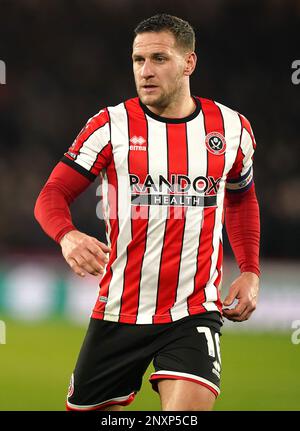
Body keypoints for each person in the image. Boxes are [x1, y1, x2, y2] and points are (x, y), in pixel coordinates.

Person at [34, 13, 260, 411]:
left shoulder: (231, 129)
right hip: (120, 309)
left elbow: (242, 198)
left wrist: (250, 269)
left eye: (159, 58)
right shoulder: (110, 126)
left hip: (192, 312)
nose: (146, 71)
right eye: (138, 60)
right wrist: (66, 235)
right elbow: (52, 193)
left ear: (188, 62)